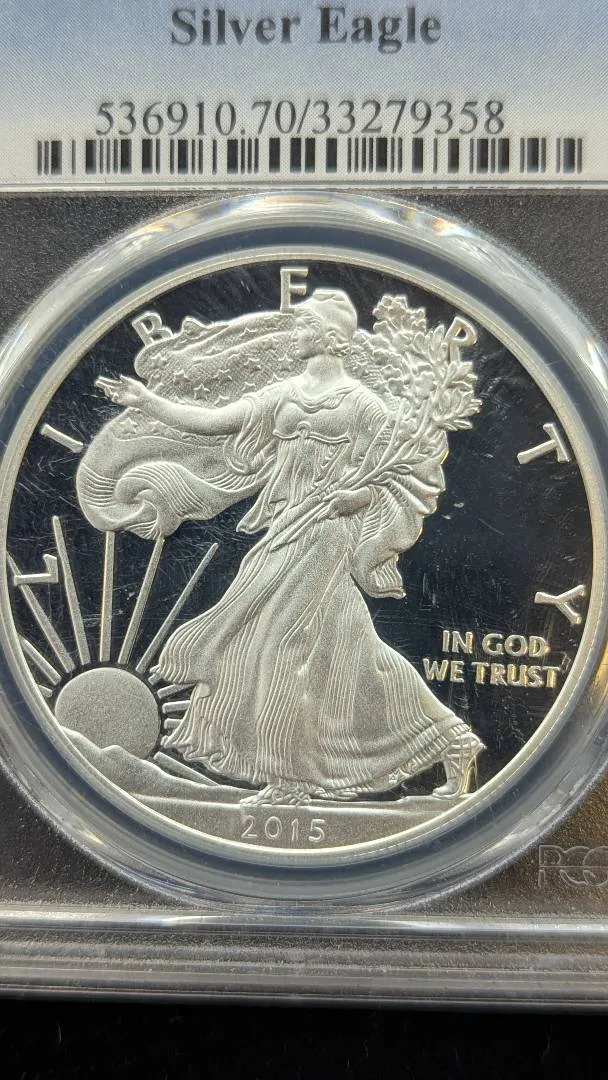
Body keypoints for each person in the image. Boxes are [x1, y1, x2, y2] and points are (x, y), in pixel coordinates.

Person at [97, 288, 483, 805]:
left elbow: (407, 473)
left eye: (303, 326)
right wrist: (147, 402)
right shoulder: (285, 393)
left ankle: (290, 780)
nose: (294, 334)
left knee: (282, 641)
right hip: (285, 526)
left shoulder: (362, 404)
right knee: (351, 650)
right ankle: (452, 739)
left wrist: (357, 497)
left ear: (329, 338)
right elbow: (214, 421)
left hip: (326, 533)